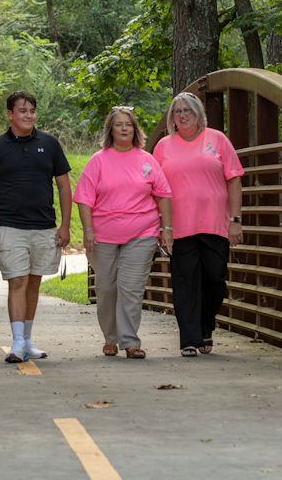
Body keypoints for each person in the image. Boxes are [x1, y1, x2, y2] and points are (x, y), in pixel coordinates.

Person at [0, 90, 72, 363]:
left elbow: (64, 185)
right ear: (10, 114)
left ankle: (28, 339)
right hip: (10, 226)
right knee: (17, 281)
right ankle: (17, 341)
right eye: (22, 111)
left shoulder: (50, 143)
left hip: (44, 226)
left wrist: (65, 226)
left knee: (33, 283)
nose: (28, 115)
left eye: (32, 111)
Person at [73, 107, 172, 359]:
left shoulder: (147, 160)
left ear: (135, 129)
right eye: (119, 124)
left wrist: (166, 228)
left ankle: (130, 341)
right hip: (103, 235)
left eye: (128, 124)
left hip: (142, 233)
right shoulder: (99, 160)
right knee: (106, 288)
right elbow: (84, 198)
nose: (124, 128)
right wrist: (87, 230)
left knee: (131, 288)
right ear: (111, 130)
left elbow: (163, 195)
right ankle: (110, 338)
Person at [152, 92, 244, 357]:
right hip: (179, 227)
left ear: (199, 114)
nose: (182, 115)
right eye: (177, 111)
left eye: (187, 110)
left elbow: (234, 179)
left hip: (215, 224)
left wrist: (236, 219)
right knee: (185, 283)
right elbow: (154, 188)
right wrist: (160, 226)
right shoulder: (163, 147)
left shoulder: (218, 140)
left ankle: (206, 327)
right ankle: (189, 340)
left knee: (215, 280)